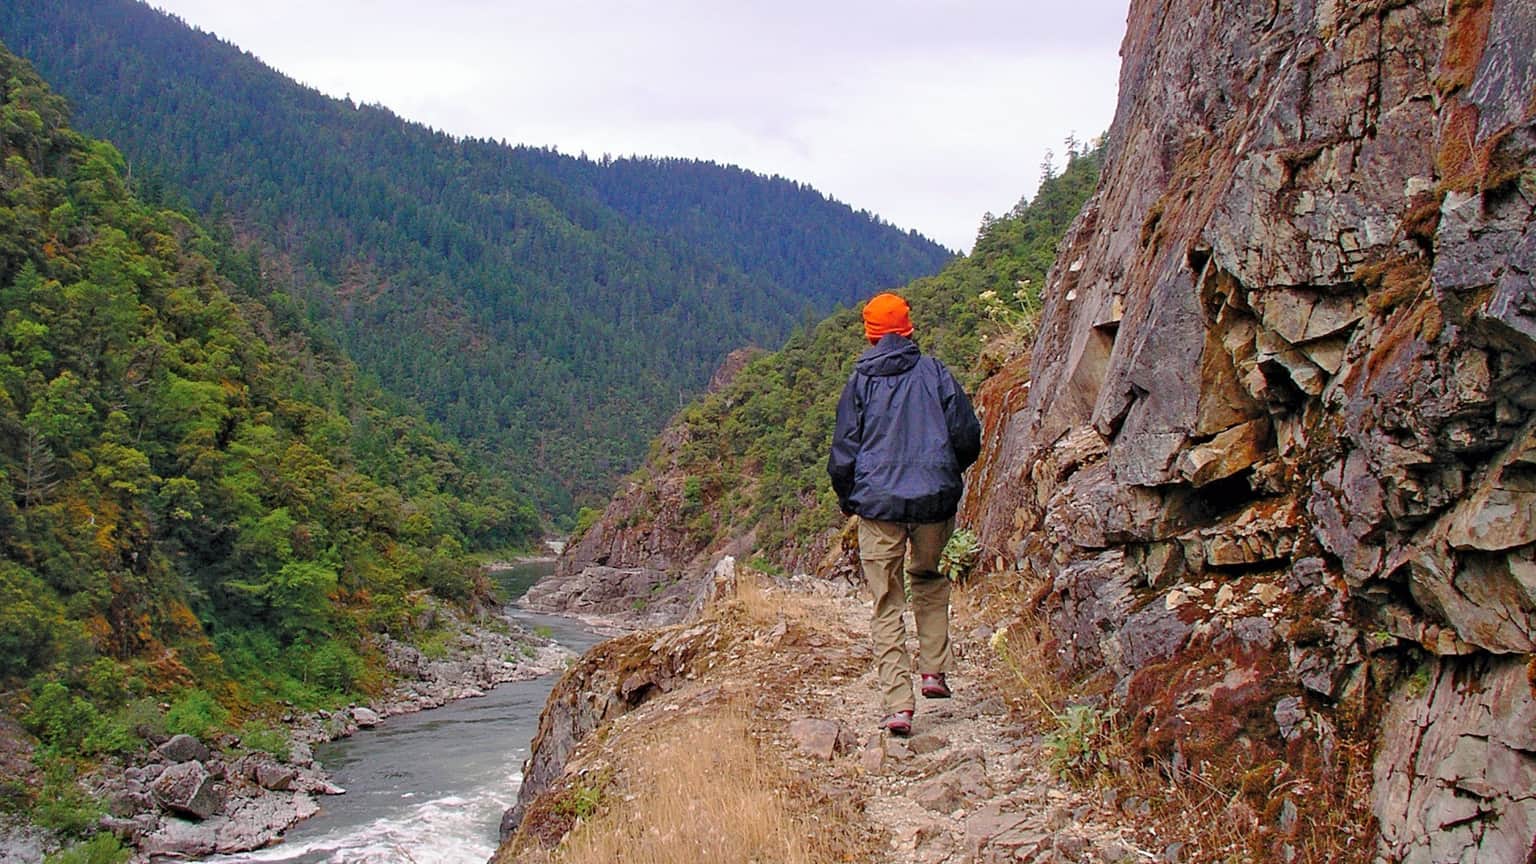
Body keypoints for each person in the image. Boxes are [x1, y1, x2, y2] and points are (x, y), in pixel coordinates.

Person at [828, 292, 981, 737]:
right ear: (908, 327)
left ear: (870, 332)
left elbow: (844, 453)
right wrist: (946, 470)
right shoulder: (935, 373)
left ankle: (898, 705)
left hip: (879, 506)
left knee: (886, 601)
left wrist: (849, 498)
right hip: (935, 499)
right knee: (930, 579)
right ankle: (933, 670)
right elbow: (967, 434)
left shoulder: (860, 382)